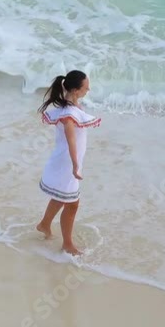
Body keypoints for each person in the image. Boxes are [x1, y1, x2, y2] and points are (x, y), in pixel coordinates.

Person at [35, 70, 100, 255]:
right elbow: (71, 139)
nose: (88, 90)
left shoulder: (70, 107)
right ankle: (67, 244)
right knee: (72, 204)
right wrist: (75, 164)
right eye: (86, 87)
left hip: (65, 161)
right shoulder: (69, 114)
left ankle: (44, 224)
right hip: (67, 164)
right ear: (75, 90)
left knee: (61, 197)